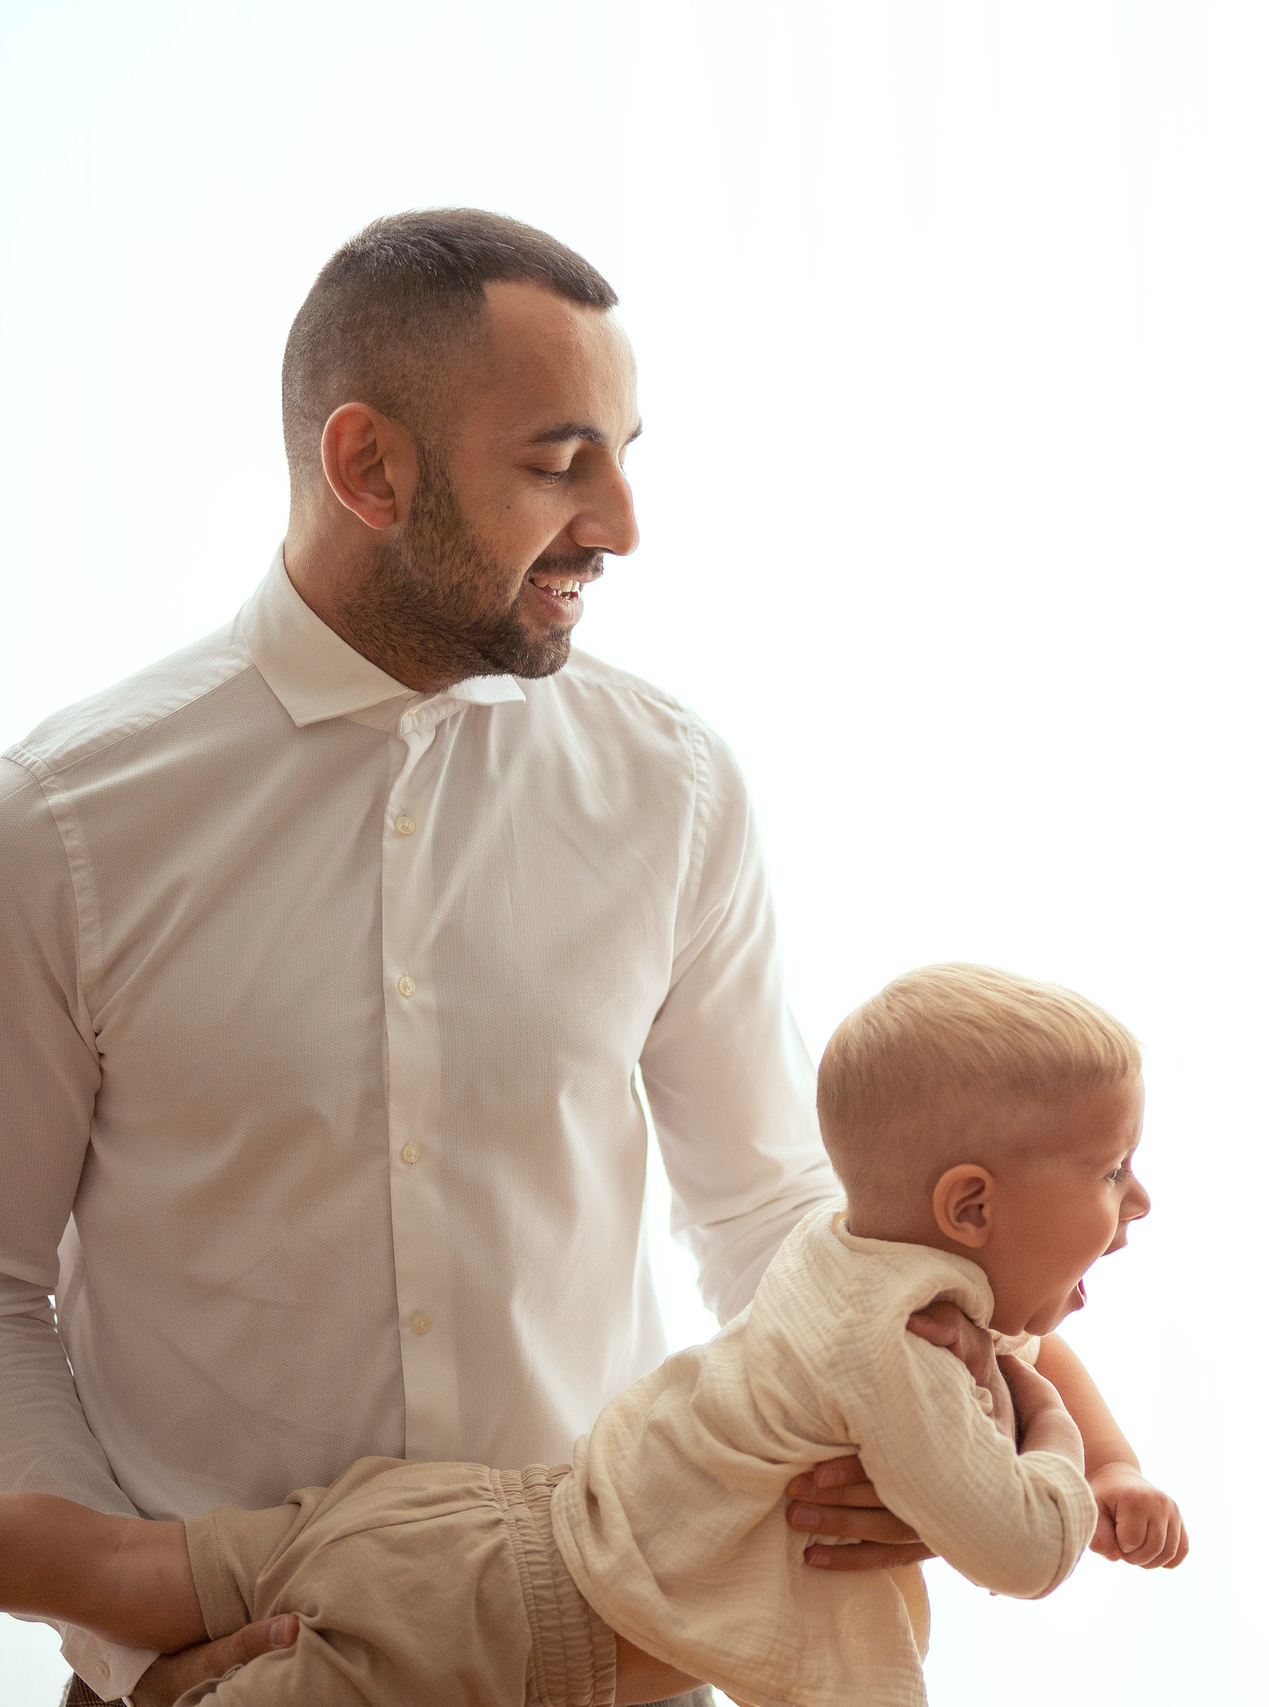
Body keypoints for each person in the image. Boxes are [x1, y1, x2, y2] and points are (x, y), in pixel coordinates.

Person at [0, 210, 1179, 1707]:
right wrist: (150, 1653)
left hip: (608, 1652)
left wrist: (912, 1425)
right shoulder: (64, 821)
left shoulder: (673, 785)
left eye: (627, 453)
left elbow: (769, 1206)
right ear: (369, 466)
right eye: (563, 463)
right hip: (221, 1669)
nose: (621, 523)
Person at [0, 963, 1156, 1705]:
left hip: (460, 1523)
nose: (1139, 1204)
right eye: (1113, 1170)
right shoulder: (902, 1350)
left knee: (116, 1562)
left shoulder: (843, 1255)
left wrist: (1107, 1461)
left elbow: (1006, 1346)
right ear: (967, 1209)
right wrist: (1059, 1438)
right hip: (494, 1648)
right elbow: (1025, 1550)